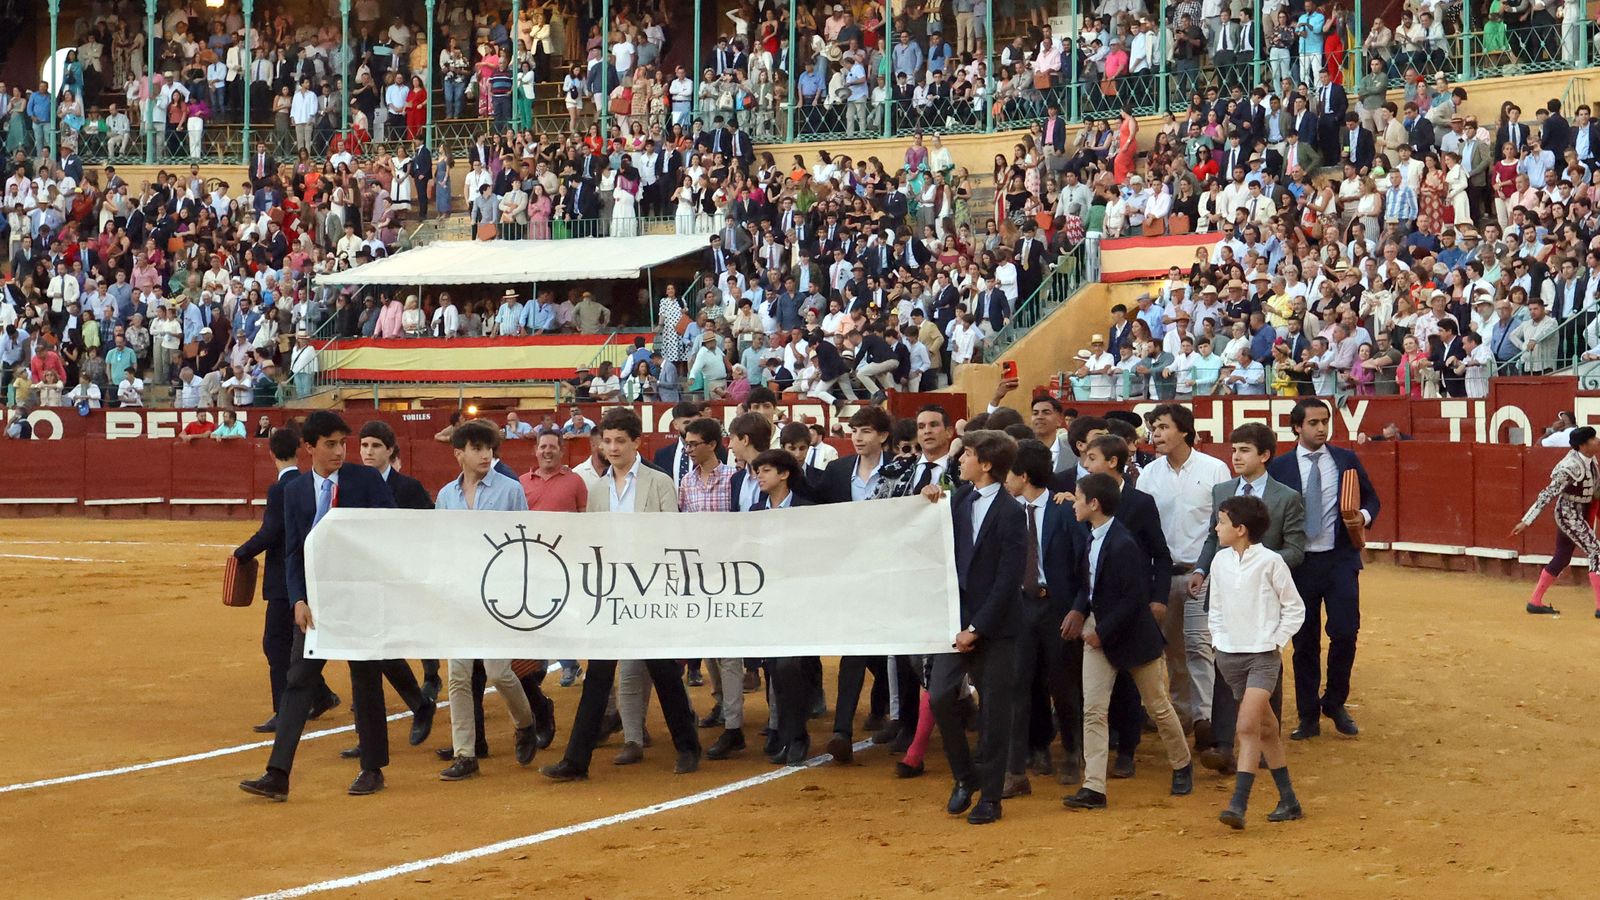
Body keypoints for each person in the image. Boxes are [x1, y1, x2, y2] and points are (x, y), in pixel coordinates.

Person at [238, 411, 399, 801]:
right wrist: (297, 598)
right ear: (309, 447)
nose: (340, 451)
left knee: (365, 680)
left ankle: (372, 769)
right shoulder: (294, 491)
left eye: (342, 443)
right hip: (316, 603)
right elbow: (293, 552)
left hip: (359, 598)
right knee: (298, 682)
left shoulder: (365, 481)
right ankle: (277, 775)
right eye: (330, 444)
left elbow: (391, 530)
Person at [541, 409, 702, 781]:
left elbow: (673, 538)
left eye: (619, 441)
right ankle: (576, 760)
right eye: (607, 441)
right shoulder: (598, 489)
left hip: (649, 590)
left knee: (664, 672)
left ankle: (688, 747)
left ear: (636, 442)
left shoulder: (659, 482)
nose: (612, 448)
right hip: (611, 592)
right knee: (598, 676)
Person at [1061, 472, 1194, 811]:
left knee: (1157, 705)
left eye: (1078, 498)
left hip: (1131, 635)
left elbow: (1134, 598)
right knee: (1094, 710)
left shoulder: (1122, 544)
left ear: (1094, 504)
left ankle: (1182, 764)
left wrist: (1101, 632)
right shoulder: (1092, 536)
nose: (1074, 503)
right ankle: (1094, 786)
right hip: (1101, 629)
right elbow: (1090, 587)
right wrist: (1080, 610)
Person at [923, 429, 1027, 825]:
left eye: (966, 454)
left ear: (985, 464)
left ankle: (992, 798)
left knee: (994, 714)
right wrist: (930, 497)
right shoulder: (959, 498)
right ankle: (966, 776)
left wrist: (977, 627)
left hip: (995, 629)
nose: (959, 460)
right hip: (956, 621)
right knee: (939, 696)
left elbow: (1008, 579)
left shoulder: (1012, 512)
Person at [1191, 423, 1306, 775]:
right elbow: (1213, 540)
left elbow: (1296, 549)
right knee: (1225, 665)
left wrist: (1257, 564)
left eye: (1244, 450)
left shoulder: (1287, 497)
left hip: (1264, 597)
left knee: (1267, 670)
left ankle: (1266, 745)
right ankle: (1224, 745)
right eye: (1234, 450)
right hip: (1227, 590)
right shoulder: (1222, 490)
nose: (1236, 456)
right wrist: (1201, 569)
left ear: (1265, 455)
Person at [432, 420, 540, 781]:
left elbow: (524, 542)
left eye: (489, 448)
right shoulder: (446, 496)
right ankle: (465, 753)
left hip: (499, 594)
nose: (485, 455)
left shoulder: (510, 490)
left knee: (497, 671)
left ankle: (525, 722)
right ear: (458, 454)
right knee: (458, 676)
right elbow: (440, 544)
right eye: (477, 449)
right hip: (461, 594)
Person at [1267, 398, 1379, 741]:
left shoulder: (1345, 459)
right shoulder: (1280, 467)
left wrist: (1362, 517)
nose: (1321, 428)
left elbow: (1372, 499)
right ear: (1297, 427)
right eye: (1313, 423)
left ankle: (1334, 701)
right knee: (1304, 641)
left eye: (1325, 422)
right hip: (1299, 564)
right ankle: (1308, 715)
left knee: (1345, 632)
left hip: (1339, 559)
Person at [1206, 494, 1306, 828]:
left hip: (1262, 657)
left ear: (1241, 529)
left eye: (1222, 522)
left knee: (1248, 727)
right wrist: (1218, 640)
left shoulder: (1271, 562)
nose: (1216, 528)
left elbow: (1295, 608)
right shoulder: (1219, 562)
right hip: (1229, 657)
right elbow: (1215, 607)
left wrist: (1274, 641)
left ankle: (1238, 805)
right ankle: (1289, 800)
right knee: (1267, 730)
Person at [232, 426, 339, 734]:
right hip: (309, 577)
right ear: (299, 451)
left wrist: (241, 553)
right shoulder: (309, 484)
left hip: (284, 581)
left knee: (276, 645)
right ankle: (321, 695)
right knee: (296, 643)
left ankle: (285, 710)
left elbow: (271, 532)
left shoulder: (280, 489)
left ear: (271, 454)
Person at [1137, 403, 1232, 740]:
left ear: (1184, 431)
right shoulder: (1148, 475)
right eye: (1154, 428)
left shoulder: (1215, 469)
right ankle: (1184, 714)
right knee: (1174, 651)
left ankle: (1205, 718)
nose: (1156, 434)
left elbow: (1223, 525)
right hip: (1162, 575)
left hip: (1201, 572)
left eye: (1163, 427)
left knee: (1198, 646)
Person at [1003, 439, 1088, 796]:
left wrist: (1078, 608)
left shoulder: (1064, 510)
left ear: (1023, 475)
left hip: (1057, 607)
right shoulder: (1008, 510)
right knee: (1019, 685)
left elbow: (1085, 565)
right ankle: (1023, 758)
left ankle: (1071, 751)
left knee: (1063, 685)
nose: (1005, 479)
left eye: (1009, 472)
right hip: (1020, 607)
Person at [1513, 426, 1600, 616]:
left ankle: (1535, 601)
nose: (1598, 440)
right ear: (1583, 445)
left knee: (1562, 557)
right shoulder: (1570, 466)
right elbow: (1547, 494)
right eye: (1593, 438)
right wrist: (1527, 520)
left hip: (1581, 511)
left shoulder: (1591, 459)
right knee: (1596, 551)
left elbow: (1595, 488)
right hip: (1568, 512)